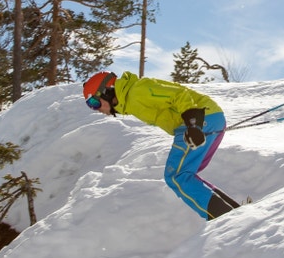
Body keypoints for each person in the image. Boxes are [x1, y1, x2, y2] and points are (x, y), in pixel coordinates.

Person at [81, 71, 240, 220]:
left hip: (198, 120)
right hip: (207, 119)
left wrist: (193, 125)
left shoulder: (137, 91)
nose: (96, 109)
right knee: (186, 174)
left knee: (176, 176)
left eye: (94, 102)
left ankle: (225, 218)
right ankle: (235, 213)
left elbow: (178, 95)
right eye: (91, 106)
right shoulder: (131, 100)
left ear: (107, 91)